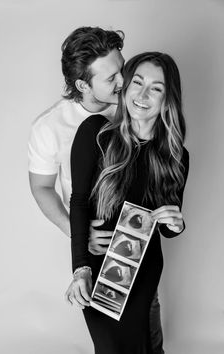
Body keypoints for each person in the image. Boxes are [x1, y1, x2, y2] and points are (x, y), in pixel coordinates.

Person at [28, 26, 164, 353]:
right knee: (111, 340)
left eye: (123, 68)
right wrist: (78, 233)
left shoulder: (135, 105)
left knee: (148, 320)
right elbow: (42, 187)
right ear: (82, 85)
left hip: (139, 237)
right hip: (93, 242)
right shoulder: (49, 127)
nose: (124, 82)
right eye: (111, 78)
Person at [67, 52, 189, 354]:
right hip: (98, 273)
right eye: (137, 82)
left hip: (144, 275)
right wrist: (80, 269)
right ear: (126, 87)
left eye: (156, 88)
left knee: (148, 348)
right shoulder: (95, 133)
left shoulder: (176, 157)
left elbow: (167, 230)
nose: (143, 95)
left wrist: (177, 223)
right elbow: (79, 202)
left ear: (167, 98)